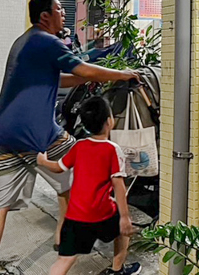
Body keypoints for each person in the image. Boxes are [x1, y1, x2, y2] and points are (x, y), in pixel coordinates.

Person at [0, 0, 139, 275]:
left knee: (1, 201)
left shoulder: (26, 41)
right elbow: (83, 69)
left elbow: (65, 77)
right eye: (59, 10)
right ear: (45, 16)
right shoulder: (47, 41)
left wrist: (88, 75)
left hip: (3, 130)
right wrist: (122, 74)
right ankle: (69, 239)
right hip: (38, 132)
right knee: (84, 161)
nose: (64, 14)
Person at [37, 97, 140, 275]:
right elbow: (119, 186)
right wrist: (124, 217)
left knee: (65, 259)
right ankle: (117, 270)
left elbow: (58, 167)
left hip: (75, 215)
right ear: (109, 121)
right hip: (102, 213)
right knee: (123, 232)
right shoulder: (112, 149)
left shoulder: (79, 145)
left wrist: (42, 160)